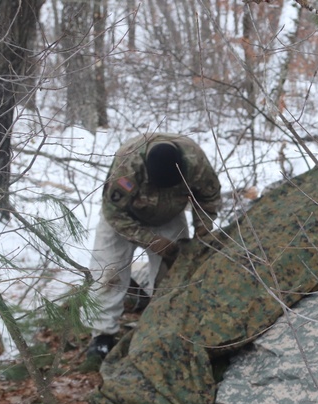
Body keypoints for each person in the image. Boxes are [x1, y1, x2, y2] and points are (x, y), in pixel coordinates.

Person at [84, 133, 222, 361]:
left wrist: (202, 234)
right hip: (125, 217)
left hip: (170, 215)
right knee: (108, 274)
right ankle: (101, 337)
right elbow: (113, 213)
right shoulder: (128, 165)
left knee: (175, 273)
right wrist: (151, 240)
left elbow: (208, 199)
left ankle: (163, 324)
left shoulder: (196, 163)